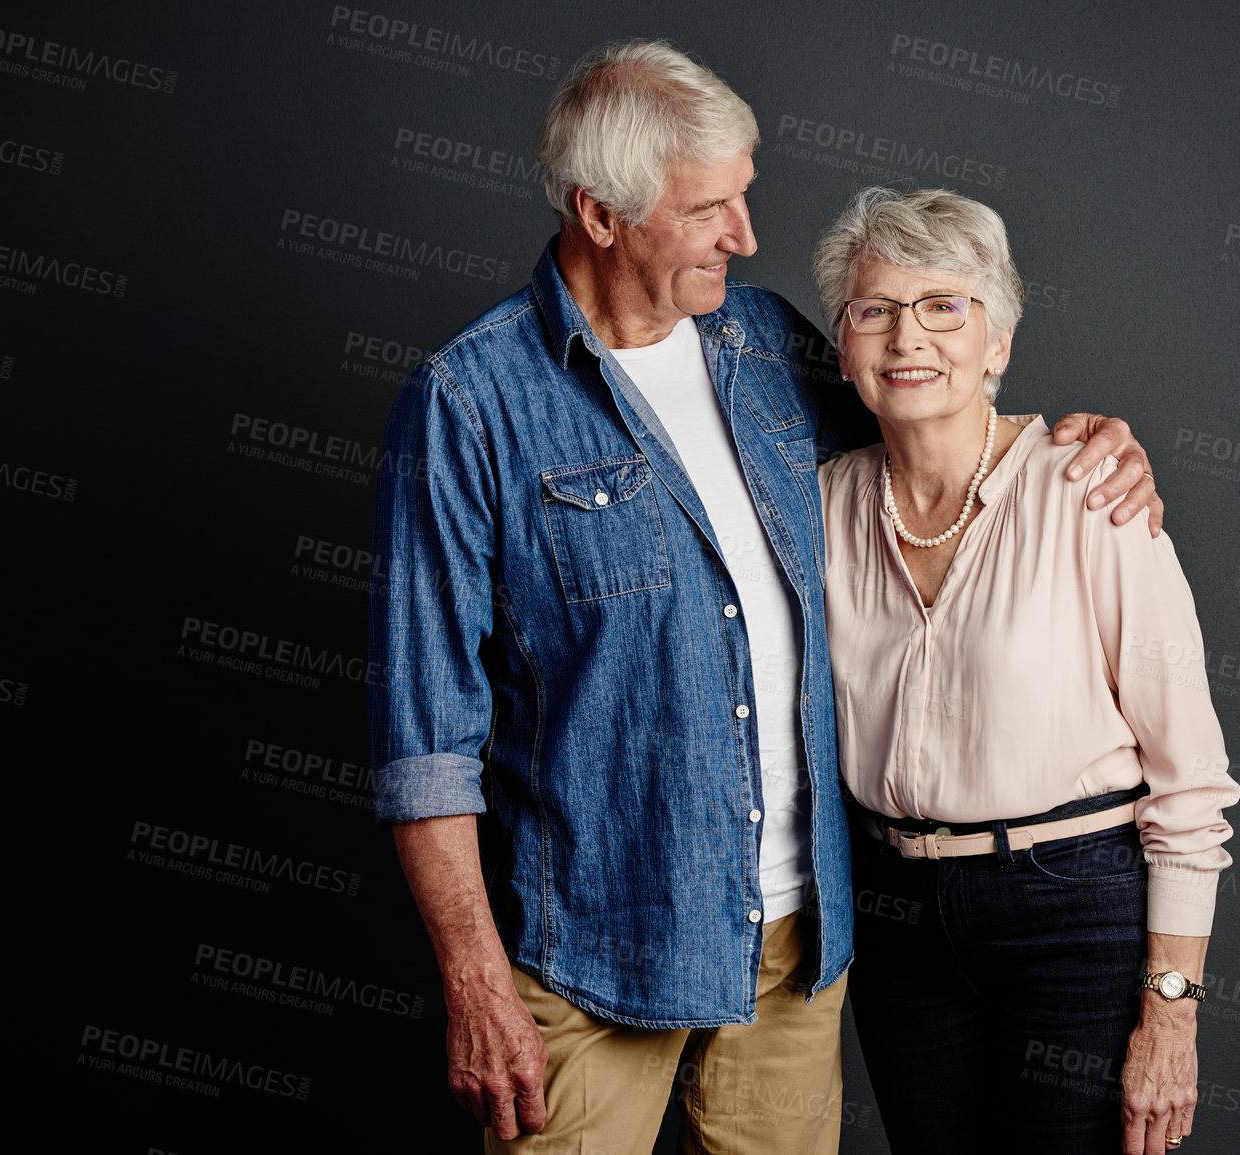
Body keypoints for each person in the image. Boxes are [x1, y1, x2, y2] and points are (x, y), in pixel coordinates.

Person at [369, 41, 1165, 1154]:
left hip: (801, 949)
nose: (745, 237)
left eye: (744, 198)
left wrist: (1081, 442)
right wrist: (472, 978)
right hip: (597, 950)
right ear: (601, 214)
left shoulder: (772, 346)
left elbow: (935, 453)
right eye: (710, 210)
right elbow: (426, 738)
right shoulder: (471, 403)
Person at [813, 186, 1240, 1155]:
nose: (907, 337)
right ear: (845, 348)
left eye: (944, 306)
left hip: (1072, 909)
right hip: (897, 916)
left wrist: (1172, 1011)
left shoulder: (1091, 492)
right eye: (874, 309)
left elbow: (1192, 778)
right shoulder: (817, 507)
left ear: (998, 342)